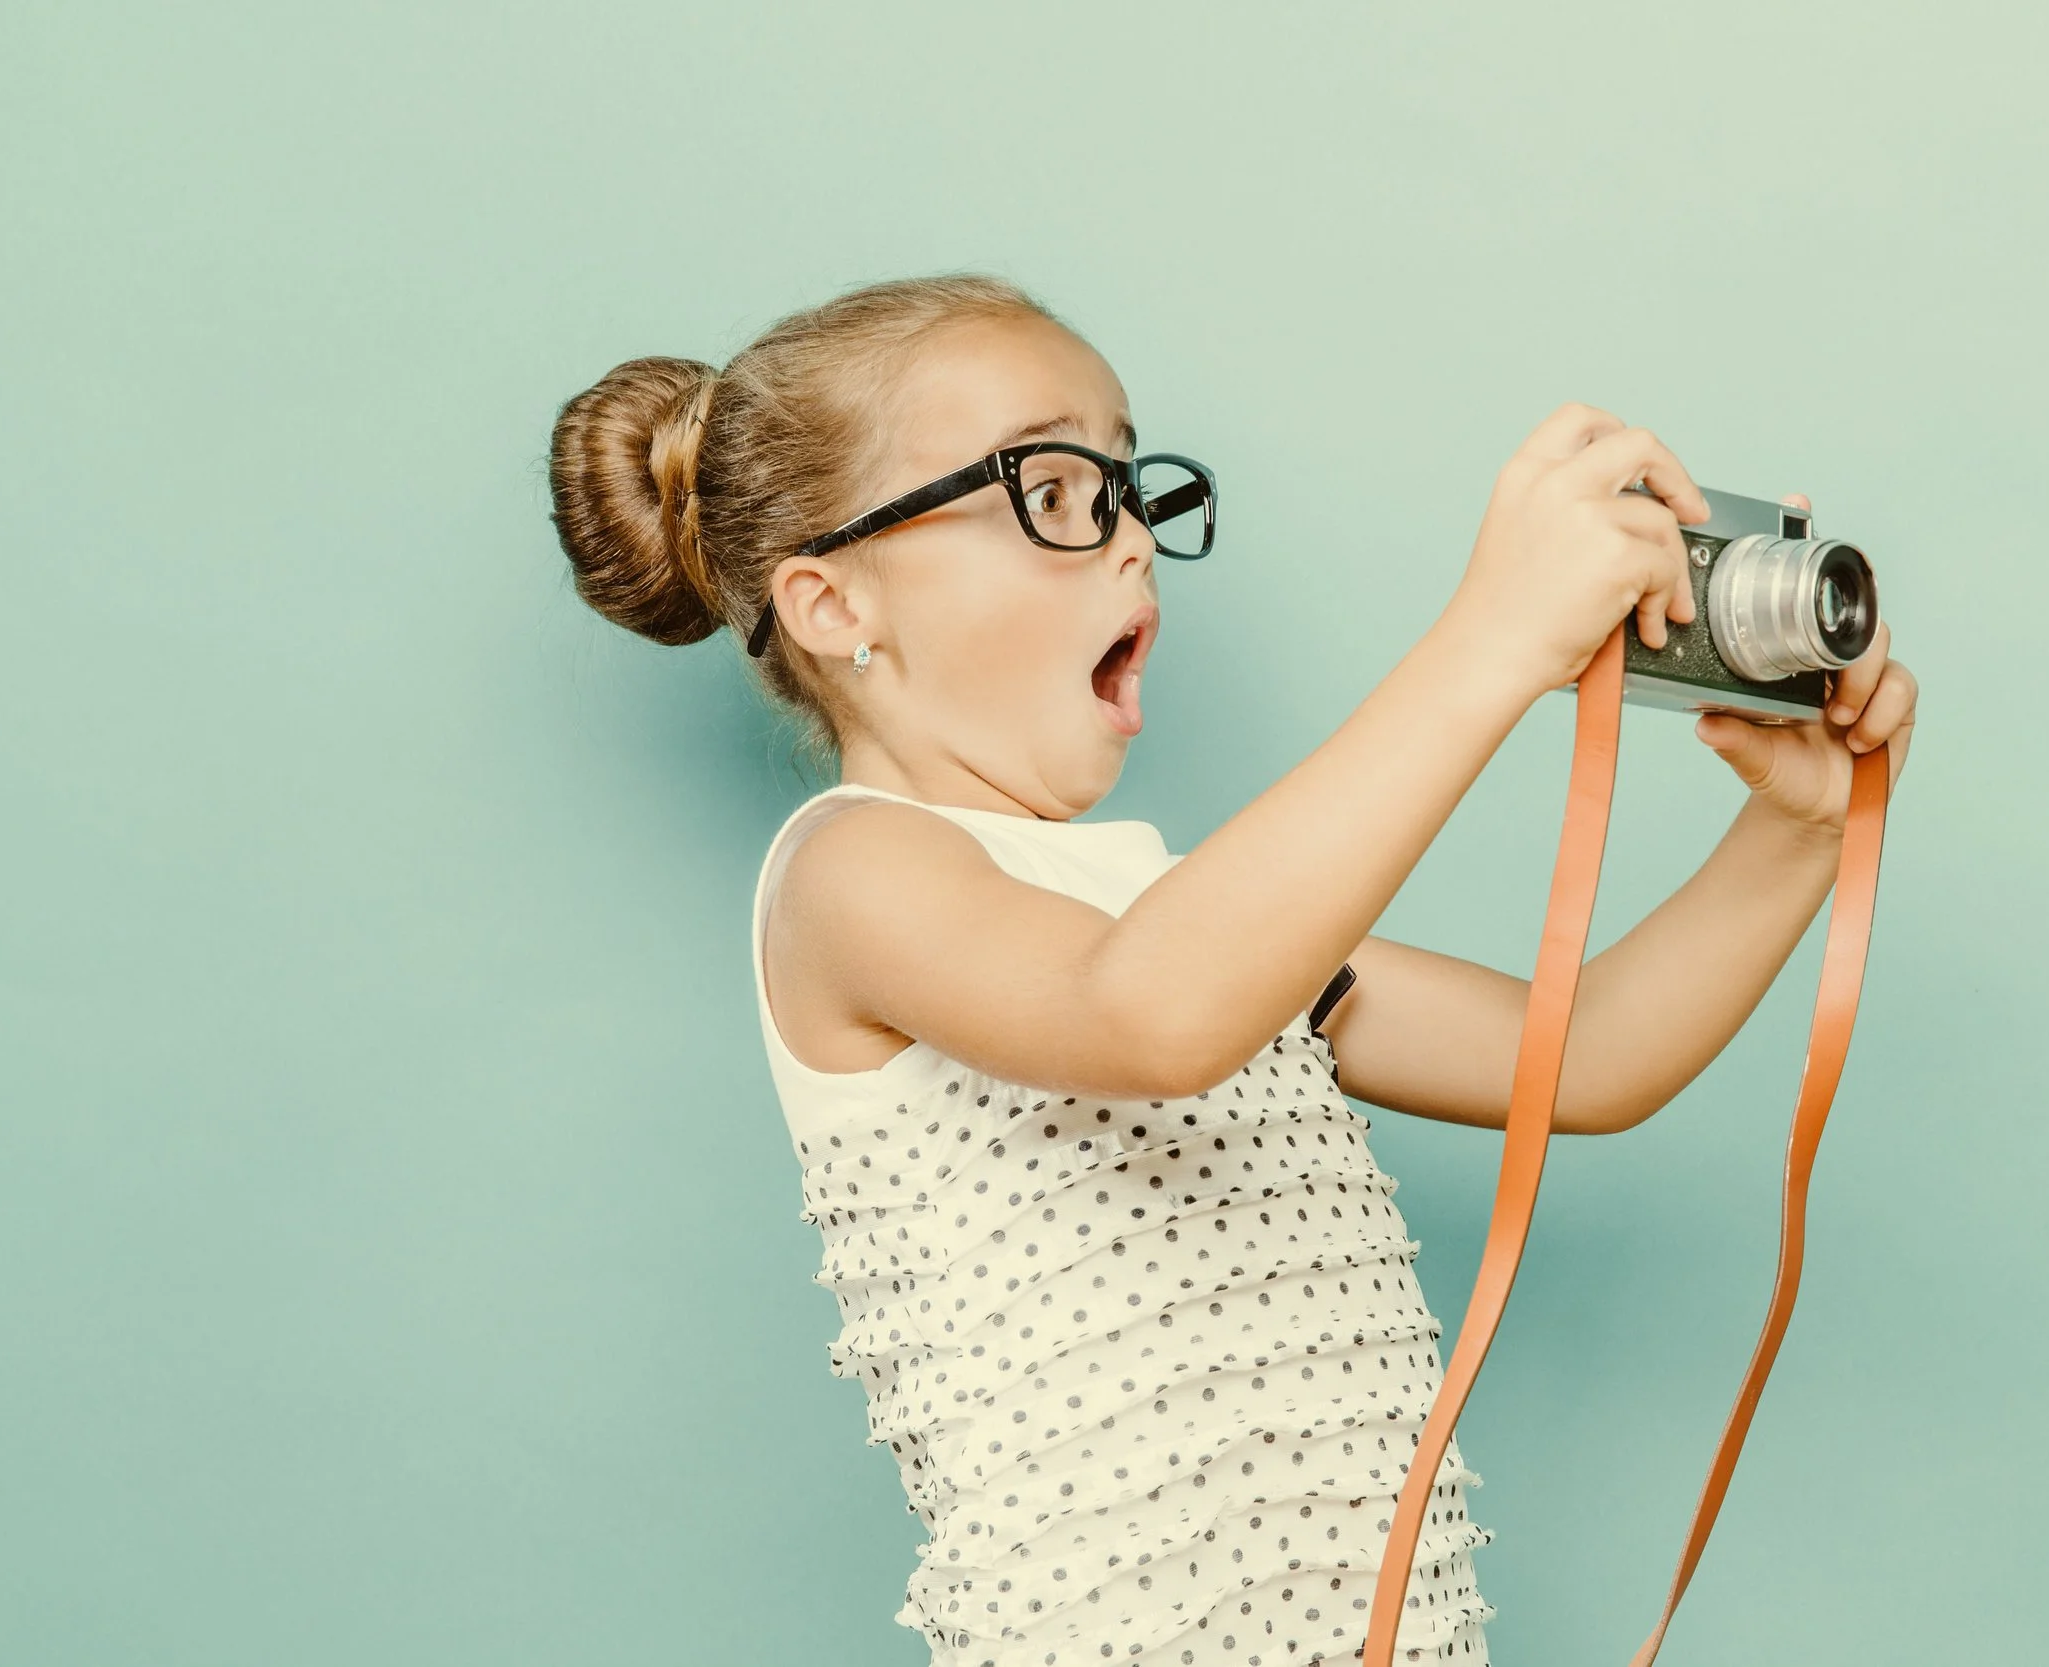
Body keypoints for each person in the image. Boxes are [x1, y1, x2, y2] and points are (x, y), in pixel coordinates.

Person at [543, 273, 1918, 1667]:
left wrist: (1796, 826)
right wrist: (1493, 639)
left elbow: (1592, 1055)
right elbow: (1149, 1011)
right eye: (1059, 488)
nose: (1131, 537)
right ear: (836, 604)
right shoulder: (851, 873)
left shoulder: (1186, 919)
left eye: (1136, 491)